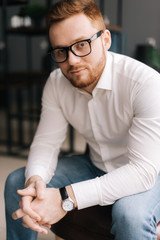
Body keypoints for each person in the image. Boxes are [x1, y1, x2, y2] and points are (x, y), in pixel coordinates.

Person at [4, 0, 160, 239]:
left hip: (149, 169)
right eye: (61, 51)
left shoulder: (145, 83)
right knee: (19, 183)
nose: (72, 60)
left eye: (82, 45)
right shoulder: (56, 82)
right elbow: (46, 143)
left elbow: (142, 171)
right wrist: (36, 179)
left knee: (131, 216)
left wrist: (67, 197)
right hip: (95, 165)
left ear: (105, 40)